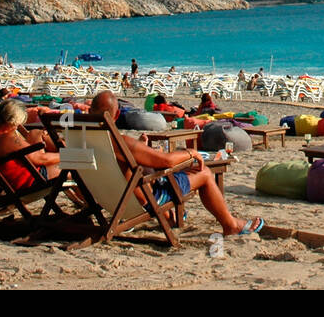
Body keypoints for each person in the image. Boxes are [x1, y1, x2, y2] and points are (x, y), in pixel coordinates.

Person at [89, 92, 261, 236]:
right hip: (143, 200)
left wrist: (140, 147)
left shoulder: (85, 141)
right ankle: (231, 225)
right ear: (117, 115)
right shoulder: (121, 143)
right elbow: (166, 161)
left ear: (89, 111)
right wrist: (191, 153)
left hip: (109, 198)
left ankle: (170, 215)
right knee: (204, 173)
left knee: (174, 168)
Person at [0, 99, 60, 189]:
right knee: (73, 168)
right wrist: (68, 155)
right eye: (18, 124)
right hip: (29, 181)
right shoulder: (8, 138)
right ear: (14, 121)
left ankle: (78, 200)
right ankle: (79, 200)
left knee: (35, 133)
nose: (17, 127)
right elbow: (40, 159)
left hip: (12, 181)